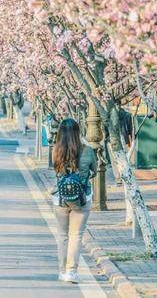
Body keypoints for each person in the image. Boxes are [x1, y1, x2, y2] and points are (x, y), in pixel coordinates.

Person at [52, 118, 97, 284]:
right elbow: (95, 169)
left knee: (63, 236)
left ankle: (62, 271)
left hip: (61, 199)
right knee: (76, 236)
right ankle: (71, 271)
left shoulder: (56, 150)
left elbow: (55, 169)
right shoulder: (88, 150)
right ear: (78, 132)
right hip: (81, 199)